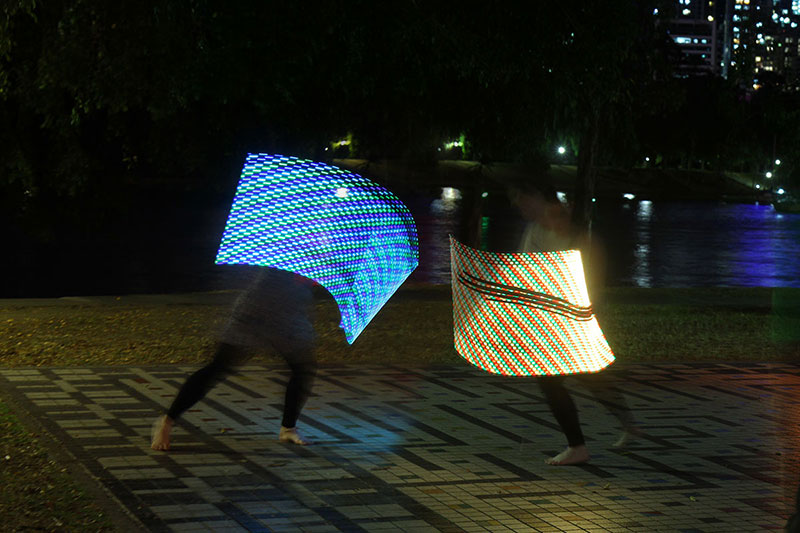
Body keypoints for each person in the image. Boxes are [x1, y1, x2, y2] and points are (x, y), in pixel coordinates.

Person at [513, 181, 639, 466]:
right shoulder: (536, 230)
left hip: (572, 317)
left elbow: (591, 260)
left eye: (523, 199)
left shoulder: (566, 224)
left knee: (554, 379)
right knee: (587, 375)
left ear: (536, 197)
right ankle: (628, 426)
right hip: (553, 318)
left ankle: (578, 446)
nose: (520, 207)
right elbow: (526, 268)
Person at [151, 267, 317, 450]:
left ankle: (288, 428)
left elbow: (302, 285)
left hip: (289, 318)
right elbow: (272, 283)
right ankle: (167, 421)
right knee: (218, 367)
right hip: (253, 315)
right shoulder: (286, 252)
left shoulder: (319, 257)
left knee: (302, 369)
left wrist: (310, 279)